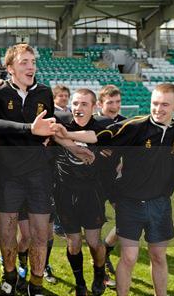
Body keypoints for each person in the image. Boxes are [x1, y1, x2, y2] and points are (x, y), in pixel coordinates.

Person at [96, 83, 174, 296]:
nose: (158, 109)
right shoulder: (136, 127)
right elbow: (104, 143)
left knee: (158, 256)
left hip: (160, 204)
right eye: (155, 103)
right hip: (129, 202)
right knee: (129, 257)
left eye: (165, 104)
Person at [0, 44, 56, 295]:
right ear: (10, 68)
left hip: (39, 175)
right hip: (7, 176)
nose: (31, 66)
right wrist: (29, 128)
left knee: (40, 234)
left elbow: (53, 125)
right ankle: (9, 274)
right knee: (7, 235)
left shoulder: (45, 93)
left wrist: (70, 143)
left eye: (33, 61)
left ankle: (36, 283)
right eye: (24, 62)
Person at [54, 89, 112, 296]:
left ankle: (99, 273)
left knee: (94, 242)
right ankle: (80, 283)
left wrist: (66, 136)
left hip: (91, 193)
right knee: (74, 243)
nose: (78, 108)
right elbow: (51, 131)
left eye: (84, 104)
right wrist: (66, 140)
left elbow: (94, 137)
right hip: (65, 193)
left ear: (94, 107)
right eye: (75, 103)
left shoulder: (102, 125)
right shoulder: (61, 120)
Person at [96, 84, 125, 281]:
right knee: (94, 228)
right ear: (100, 104)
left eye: (117, 102)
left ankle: (105, 252)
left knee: (126, 220)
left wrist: (124, 162)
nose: (114, 106)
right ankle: (100, 271)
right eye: (110, 102)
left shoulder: (127, 123)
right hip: (93, 182)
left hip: (116, 182)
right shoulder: (92, 122)